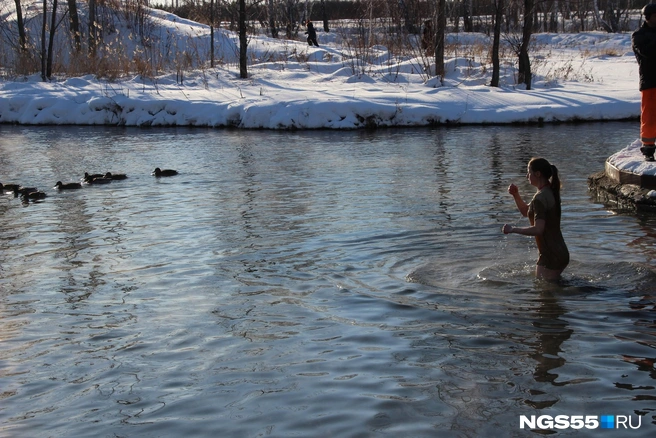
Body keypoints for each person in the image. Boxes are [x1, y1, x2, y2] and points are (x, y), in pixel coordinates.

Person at [502, 157, 569, 281]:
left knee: (545, 293)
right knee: (551, 289)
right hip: (559, 251)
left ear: (537, 174)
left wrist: (513, 229)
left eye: (529, 172)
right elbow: (527, 212)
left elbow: (538, 229)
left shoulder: (541, 197)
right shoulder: (549, 191)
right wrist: (516, 195)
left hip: (550, 254)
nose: (527, 175)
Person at [632, 4, 656, 161]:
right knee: (649, 117)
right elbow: (646, 53)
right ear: (648, 17)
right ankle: (648, 149)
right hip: (650, 81)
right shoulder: (639, 35)